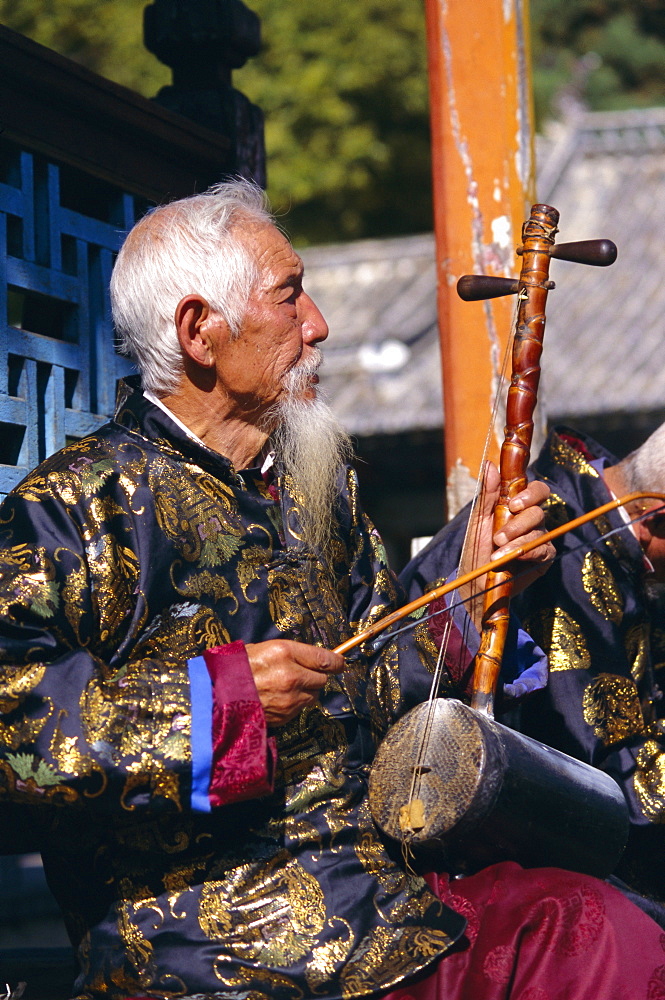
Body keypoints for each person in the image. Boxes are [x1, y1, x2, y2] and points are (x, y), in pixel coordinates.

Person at [0, 181, 663, 1000]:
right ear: (198, 330)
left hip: (383, 910)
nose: (318, 324)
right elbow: (18, 733)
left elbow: (378, 686)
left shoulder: (319, 486)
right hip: (204, 945)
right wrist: (223, 700)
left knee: (598, 932)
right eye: (290, 295)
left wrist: (468, 589)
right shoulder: (76, 507)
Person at [401, 423, 665, 903]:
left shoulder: (632, 557)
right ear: (656, 517)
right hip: (524, 861)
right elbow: (605, 778)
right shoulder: (540, 535)